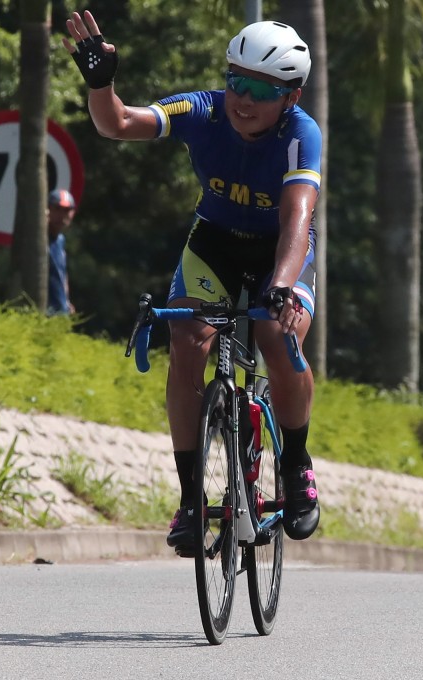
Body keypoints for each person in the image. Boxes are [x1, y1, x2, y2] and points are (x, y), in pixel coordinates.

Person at [64, 11, 322, 548]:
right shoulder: (202, 110)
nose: (243, 99)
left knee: (277, 337)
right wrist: (100, 84)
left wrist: (281, 285)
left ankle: (295, 466)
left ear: (290, 98)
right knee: (186, 343)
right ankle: (189, 499)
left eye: (260, 89)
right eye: (236, 81)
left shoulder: (301, 134)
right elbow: (118, 124)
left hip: (282, 249)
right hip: (216, 243)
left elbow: (297, 217)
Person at [47, 188, 76, 316]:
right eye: (57, 209)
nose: (62, 215)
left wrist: (66, 301)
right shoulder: (39, 238)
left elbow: (61, 273)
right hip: (44, 311)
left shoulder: (60, 240)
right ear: (48, 210)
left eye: (66, 210)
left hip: (60, 311)